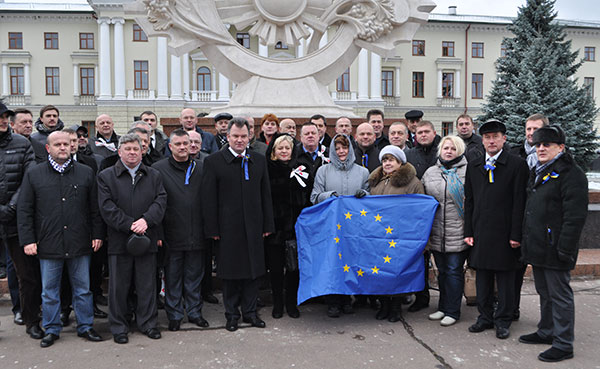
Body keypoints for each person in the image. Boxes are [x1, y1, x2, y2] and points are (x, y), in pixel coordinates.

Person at [18, 131, 105, 347]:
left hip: (79, 241)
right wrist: (28, 240)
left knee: (83, 289)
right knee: (49, 291)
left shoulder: (85, 173)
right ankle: (52, 328)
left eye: (66, 143)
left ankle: (86, 326)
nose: (63, 147)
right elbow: (25, 209)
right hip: (48, 243)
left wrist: (97, 234)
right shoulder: (34, 174)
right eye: (57, 144)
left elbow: (94, 208)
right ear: (48, 148)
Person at [519, 126, 588, 363]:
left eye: (547, 144)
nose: (541, 148)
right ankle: (547, 331)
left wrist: (565, 249)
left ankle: (563, 343)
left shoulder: (571, 173)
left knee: (559, 296)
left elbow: (575, 217)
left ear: (561, 148)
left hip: (557, 248)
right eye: (538, 145)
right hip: (539, 246)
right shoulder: (540, 170)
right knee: (544, 292)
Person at [201, 117, 275, 332]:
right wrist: (212, 229)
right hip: (227, 229)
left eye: (244, 136)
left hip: (253, 227)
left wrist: (267, 225)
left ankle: (250, 313)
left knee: (253, 272)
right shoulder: (214, 161)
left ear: (250, 136)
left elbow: (265, 195)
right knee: (231, 274)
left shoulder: (259, 160)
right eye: (235, 136)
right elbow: (208, 198)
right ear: (227, 136)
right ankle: (232, 314)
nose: (240, 140)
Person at [97, 133, 167, 344]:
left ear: (142, 151)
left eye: (136, 149)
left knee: (147, 285)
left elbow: (161, 200)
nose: (132, 153)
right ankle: (119, 327)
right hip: (120, 241)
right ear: (119, 152)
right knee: (119, 287)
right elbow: (106, 207)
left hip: (147, 238)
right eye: (127, 149)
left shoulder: (153, 175)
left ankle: (148, 323)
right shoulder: (106, 176)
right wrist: (129, 224)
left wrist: (146, 221)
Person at [464, 119, 529, 340]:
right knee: (482, 277)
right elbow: (469, 201)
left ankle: (503, 319)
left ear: (504, 138)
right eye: (487, 137)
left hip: (505, 234)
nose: (491, 141)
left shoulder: (517, 165)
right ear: (482, 140)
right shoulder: (474, 165)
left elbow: (520, 202)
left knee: (505, 280)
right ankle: (485, 317)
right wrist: (468, 231)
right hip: (481, 231)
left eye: (495, 136)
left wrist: (516, 234)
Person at [154, 129, 209, 331]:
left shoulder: (202, 168)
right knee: (173, 277)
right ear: (170, 147)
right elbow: (155, 203)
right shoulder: (158, 169)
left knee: (195, 276)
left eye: (186, 143)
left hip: (197, 233)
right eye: (178, 144)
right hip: (171, 234)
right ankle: (174, 315)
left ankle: (195, 312)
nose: (184, 147)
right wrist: (158, 233)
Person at [311, 134, 369, 317]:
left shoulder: (362, 172)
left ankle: (347, 299)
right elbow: (314, 197)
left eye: (344, 148)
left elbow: (371, 197)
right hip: (331, 226)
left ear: (350, 149)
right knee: (333, 263)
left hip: (354, 227)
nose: (341, 152)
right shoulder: (323, 171)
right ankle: (333, 301)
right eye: (337, 148)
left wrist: (365, 194)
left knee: (350, 263)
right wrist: (329, 195)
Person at [0, 102, 43, 340]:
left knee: (27, 274)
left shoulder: (21, 144)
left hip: (17, 218)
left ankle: (31, 320)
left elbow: (29, 177)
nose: (3, 121)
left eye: (6, 117)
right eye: (0, 117)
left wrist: (11, 207)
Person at [368, 145, 423, 322]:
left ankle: (396, 307)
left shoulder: (413, 182)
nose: (387, 163)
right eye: (385, 160)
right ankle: (384, 304)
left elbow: (419, 209)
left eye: (391, 160)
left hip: (400, 235)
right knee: (381, 270)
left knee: (397, 271)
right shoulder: (376, 182)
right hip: (379, 235)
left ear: (400, 162)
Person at [422, 136, 469, 327]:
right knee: (442, 272)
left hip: (458, 230)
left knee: (454, 271)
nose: (448, 151)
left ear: (459, 151)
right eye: (445, 148)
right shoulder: (430, 172)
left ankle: (453, 310)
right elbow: (423, 201)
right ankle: (442, 307)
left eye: (453, 148)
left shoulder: (468, 172)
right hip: (437, 231)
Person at [509, 113, 549, 321]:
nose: (531, 133)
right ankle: (512, 310)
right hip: (519, 220)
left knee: (545, 278)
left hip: (541, 225)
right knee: (515, 272)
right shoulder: (514, 153)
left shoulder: (552, 157)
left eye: (536, 129)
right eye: (528, 129)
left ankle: (548, 323)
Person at [265, 134, 307, 319]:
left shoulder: (301, 169)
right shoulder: (267, 169)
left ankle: (291, 303)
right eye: (280, 148)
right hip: (274, 228)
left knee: (293, 268)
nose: (284, 151)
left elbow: (306, 197)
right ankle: (278, 304)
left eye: (287, 148)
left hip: (295, 229)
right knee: (275, 269)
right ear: (274, 151)